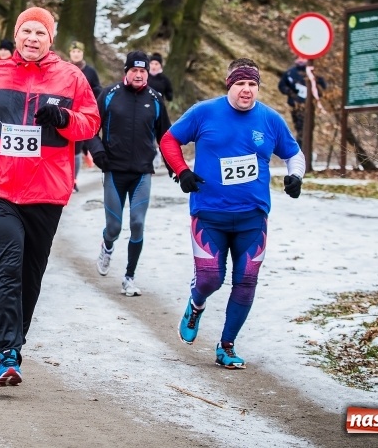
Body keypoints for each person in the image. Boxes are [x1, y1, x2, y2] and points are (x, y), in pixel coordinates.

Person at [0, 7, 100, 386]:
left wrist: (64, 119)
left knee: (30, 273)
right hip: (1, 186)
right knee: (6, 264)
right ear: (17, 36)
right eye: (27, 32)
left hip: (46, 190)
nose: (32, 38)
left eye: (40, 32)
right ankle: (6, 352)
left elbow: (91, 120)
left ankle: (15, 340)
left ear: (50, 39)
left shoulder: (71, 78)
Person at [160, 57, 305, 369]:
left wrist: (296, 177)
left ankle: (226, 345)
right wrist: (182, 171)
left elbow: (294, 154)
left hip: (252, 217)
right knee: (211, 278)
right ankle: (196, 304)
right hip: (209, 214)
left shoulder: (270, 119)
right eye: (240, 83)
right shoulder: (204, 112)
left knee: (247, 280)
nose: (247, 89)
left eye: (252, 84)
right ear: (229, 85)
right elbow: (169, 139)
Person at [87, 51, 172, 297]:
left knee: (137, 224)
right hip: (114, 170)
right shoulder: (110, 94)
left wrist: (172, 164)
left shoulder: (155, 98)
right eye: (134, 70)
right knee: (114, 227)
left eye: (143, 71)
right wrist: (98, 151)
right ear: (126, 72)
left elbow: (165, 137)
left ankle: (129, 277)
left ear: (147, 73)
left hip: (142, 172)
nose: (138, 74)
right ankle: (107, 245)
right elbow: (91, 129)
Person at [68, 40, 102, 192]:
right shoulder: (64, 69)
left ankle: (73, 181)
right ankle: (64, 180)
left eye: (79, 52)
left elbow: (98, 90)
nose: (76, 54)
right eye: (74, 52)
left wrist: (90, 101)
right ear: (70, 53)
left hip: (82, 114)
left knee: (76, 148)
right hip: (65, 112)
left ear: (82, 53)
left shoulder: (90, 71)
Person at [277, 56, 326, 146]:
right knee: (300, 128)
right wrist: (289, 92)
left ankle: (305, 150)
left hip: (309, 105)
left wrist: (317, 94)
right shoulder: (290, 72)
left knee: (307, 128)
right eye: (299, 58)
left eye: (303, 58)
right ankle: (300, 150)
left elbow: (323, 87)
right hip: (295, 105)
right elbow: (281, 85)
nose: (301, 60)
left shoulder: (313, 73)